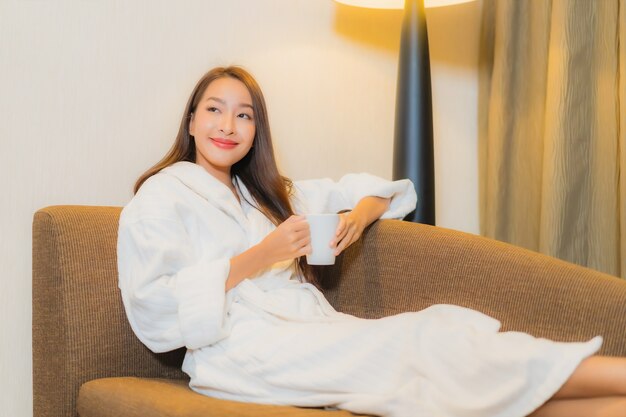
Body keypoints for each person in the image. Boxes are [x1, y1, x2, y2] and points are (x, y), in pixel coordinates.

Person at [117, 66, 626, 417]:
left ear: (257, 130)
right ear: (191, 120)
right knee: (422, 342)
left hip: (310, 332)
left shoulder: (268, 195)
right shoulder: (161, 196)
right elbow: (155, 308)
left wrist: (356, 219)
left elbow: (382, 191)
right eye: (214, 110)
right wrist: (262, 255)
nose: (228, 125)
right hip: (240, 352)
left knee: (433, 356)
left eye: (244, 115)